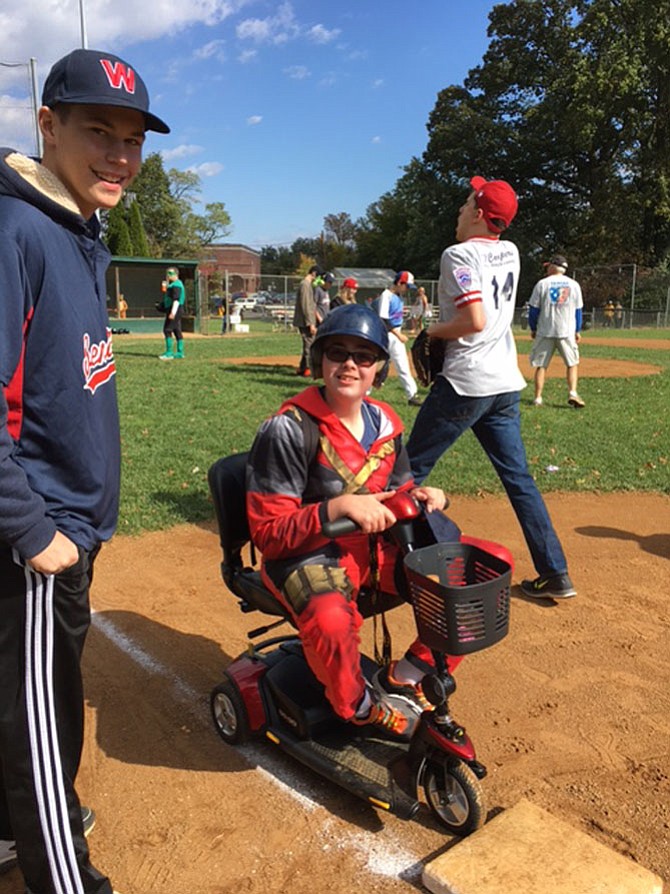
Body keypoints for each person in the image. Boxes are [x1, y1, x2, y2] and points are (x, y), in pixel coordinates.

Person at [0, 47, 168, 892]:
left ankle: (11, 821)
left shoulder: (74, 228)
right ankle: (62, 873)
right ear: (47, 126)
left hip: (71, 523)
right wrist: (34, 533)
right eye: (98, 131)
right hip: (41, 531)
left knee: (43, 693)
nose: (119, 155)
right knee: (40, 711)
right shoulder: (17, 232)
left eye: (133, 139)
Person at [246, 304, 453, 739]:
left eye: (364, 357)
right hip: (306, 556)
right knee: (332, 620)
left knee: (462, 579)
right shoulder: (289, 428)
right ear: (320, 358)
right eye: (338, 352)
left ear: (379, 368)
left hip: (373, 552)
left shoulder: (386, 423)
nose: (350, 365)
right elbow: (268, 535)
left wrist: (419, 495)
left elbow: (398, 490)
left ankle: (407, 675)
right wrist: (335, 508)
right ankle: (357, 707)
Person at [405, 175, 576, 601]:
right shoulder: (511, 250)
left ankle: (376, 562)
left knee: (407, 470)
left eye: (466, 204)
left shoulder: (458, 254)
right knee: (519, 480)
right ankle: (555, 572)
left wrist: (432, 332)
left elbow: (473, 320)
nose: (460, 211)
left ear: (480, 214)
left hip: (467, 383)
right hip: (503, 384)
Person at [527, 254, 585, 408]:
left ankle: (538, 398)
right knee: (572, 363)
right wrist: (577, 330)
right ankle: (572, 392)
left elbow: (534, 309)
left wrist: (533, 327)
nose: (547, 269)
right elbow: (578, 311)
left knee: (541, 365)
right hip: (566, 330)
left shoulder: (542, 284)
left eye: (548, 266)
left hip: (545, 330)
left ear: (553, 266)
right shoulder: (573, 285)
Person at [374, 271, 423, 406]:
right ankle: (363, 393)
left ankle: (412, 395)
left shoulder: (399, 296)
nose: (407, 290)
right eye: (406, 286)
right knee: (377, 365)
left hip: (396, 334)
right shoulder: (386, 295)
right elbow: (383, 319)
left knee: (403, 366)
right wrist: (398, 335)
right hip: (387, 334)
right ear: (399, 283)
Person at [293, 264, 320, 376]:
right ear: (313, 273)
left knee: (308, 343)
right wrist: (310, 324)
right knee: (309, 344)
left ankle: (302, 368)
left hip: (309, 320)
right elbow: (305, 305)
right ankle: (308, 369)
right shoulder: (305, 284)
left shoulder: (308, 285)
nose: (318, 279)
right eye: (318, 276)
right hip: (305, 321)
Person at [158, 266, 186, 360]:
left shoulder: (176, 285)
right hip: (174, 309)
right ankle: (180, 352)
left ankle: (169, 353)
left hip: (175, 309)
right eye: (167, 273)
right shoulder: (173, 285)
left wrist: (173, 312)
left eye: (170, 273)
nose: (168, 275)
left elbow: (176, 300)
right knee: (177, 330)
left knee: (167, 330)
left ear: (176, 274)